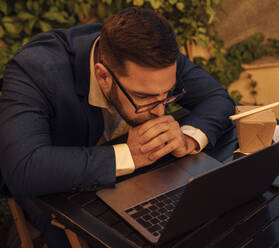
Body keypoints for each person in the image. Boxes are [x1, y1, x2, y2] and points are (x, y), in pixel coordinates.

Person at [0, 7, 235, 247]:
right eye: (145, 97)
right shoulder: (34, 69)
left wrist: (187, 139)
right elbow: (22, 167)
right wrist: (128, 155)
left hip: (139, 180)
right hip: (57, 188)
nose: (160, 111)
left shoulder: (153, 56)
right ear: (103, 76)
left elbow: (217, 98)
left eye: (167, 95)